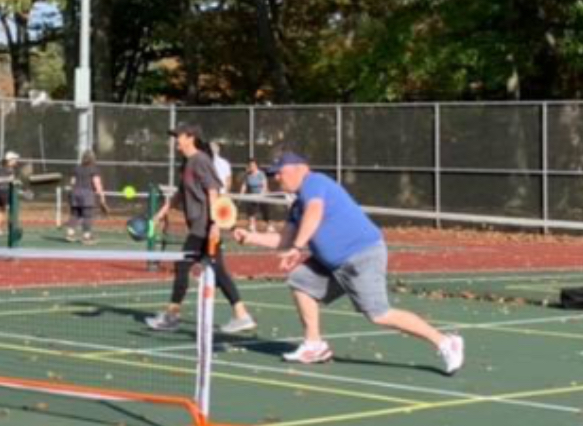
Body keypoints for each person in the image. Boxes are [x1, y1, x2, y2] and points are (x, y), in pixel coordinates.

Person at [233, 150, 464, 372]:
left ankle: (445, 342)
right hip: (333, 265)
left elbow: (314, 213)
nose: (276, 178)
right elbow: (284, 241)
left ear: (299, 169)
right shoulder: (296, 207)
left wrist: (297, 247)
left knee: (379, 314)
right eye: (273, 174)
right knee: (301, 280)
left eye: (279, 172)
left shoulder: (314, 182)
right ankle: (314, 345)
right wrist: (250, 237)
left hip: (362, 255)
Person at [146, 124, 256, 335]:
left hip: (204, 226)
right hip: (199, 226)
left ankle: (172, 315)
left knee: (182, 265)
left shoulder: (201, 160)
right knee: (218, 269)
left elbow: (213, 191)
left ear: (190, 138)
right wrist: (160, 214)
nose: (175, 140)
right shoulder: (187, 163)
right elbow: (179, 193)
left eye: (178, 136)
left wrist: (215, 224)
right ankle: (242, 315)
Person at [66, 150, 109, 242]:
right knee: (87, 216)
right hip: (87, 194)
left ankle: (70, 234)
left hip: (75, 193)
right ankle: (86, 237)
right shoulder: (94, 169)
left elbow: (72, 182)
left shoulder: (76, 168)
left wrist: (70, 194)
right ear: (93, 158)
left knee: (74, 214)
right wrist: (102, 197)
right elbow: (97, 184)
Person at [0, 151, 20, 236]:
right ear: (9, 160)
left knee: (2, 210)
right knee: (12, 209)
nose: (16, 161)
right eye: (15, 159)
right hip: (4, 191)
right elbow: (12, 181)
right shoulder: (10, 169)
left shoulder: (1, 167)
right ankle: (12, 229)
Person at [240, 156, 269, 227]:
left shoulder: (261, 174)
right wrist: (241, 194)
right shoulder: (247, 175)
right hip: (252, 196)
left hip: (262, 196)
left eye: (253, 165)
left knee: (265, 212)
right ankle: (252, 225)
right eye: (250, 165)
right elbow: (244, 185)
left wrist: (261, 194)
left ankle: (269, 225)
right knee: (251, 211)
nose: (251, 167)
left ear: (256, 165)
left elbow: (264, 186)